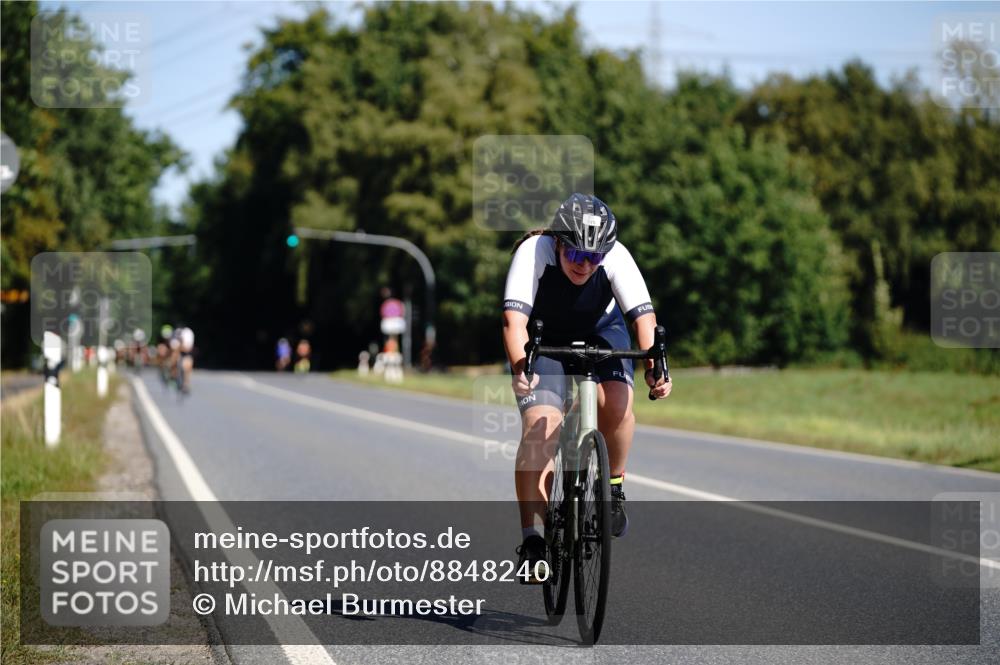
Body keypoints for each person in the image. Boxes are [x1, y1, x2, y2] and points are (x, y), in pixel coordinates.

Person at [502, 193, 671, 582]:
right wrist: (519, 368)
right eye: (576, 255)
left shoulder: (616, 256)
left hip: (601, 332)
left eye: (593, 259)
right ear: (558, 243)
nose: (584, 265)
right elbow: (514, 323)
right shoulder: (533, 252)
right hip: (543, 339)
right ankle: (533, 540)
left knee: (617, 403)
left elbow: (645, 321)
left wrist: (655, 367)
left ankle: (613, 487)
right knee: (540, 424)